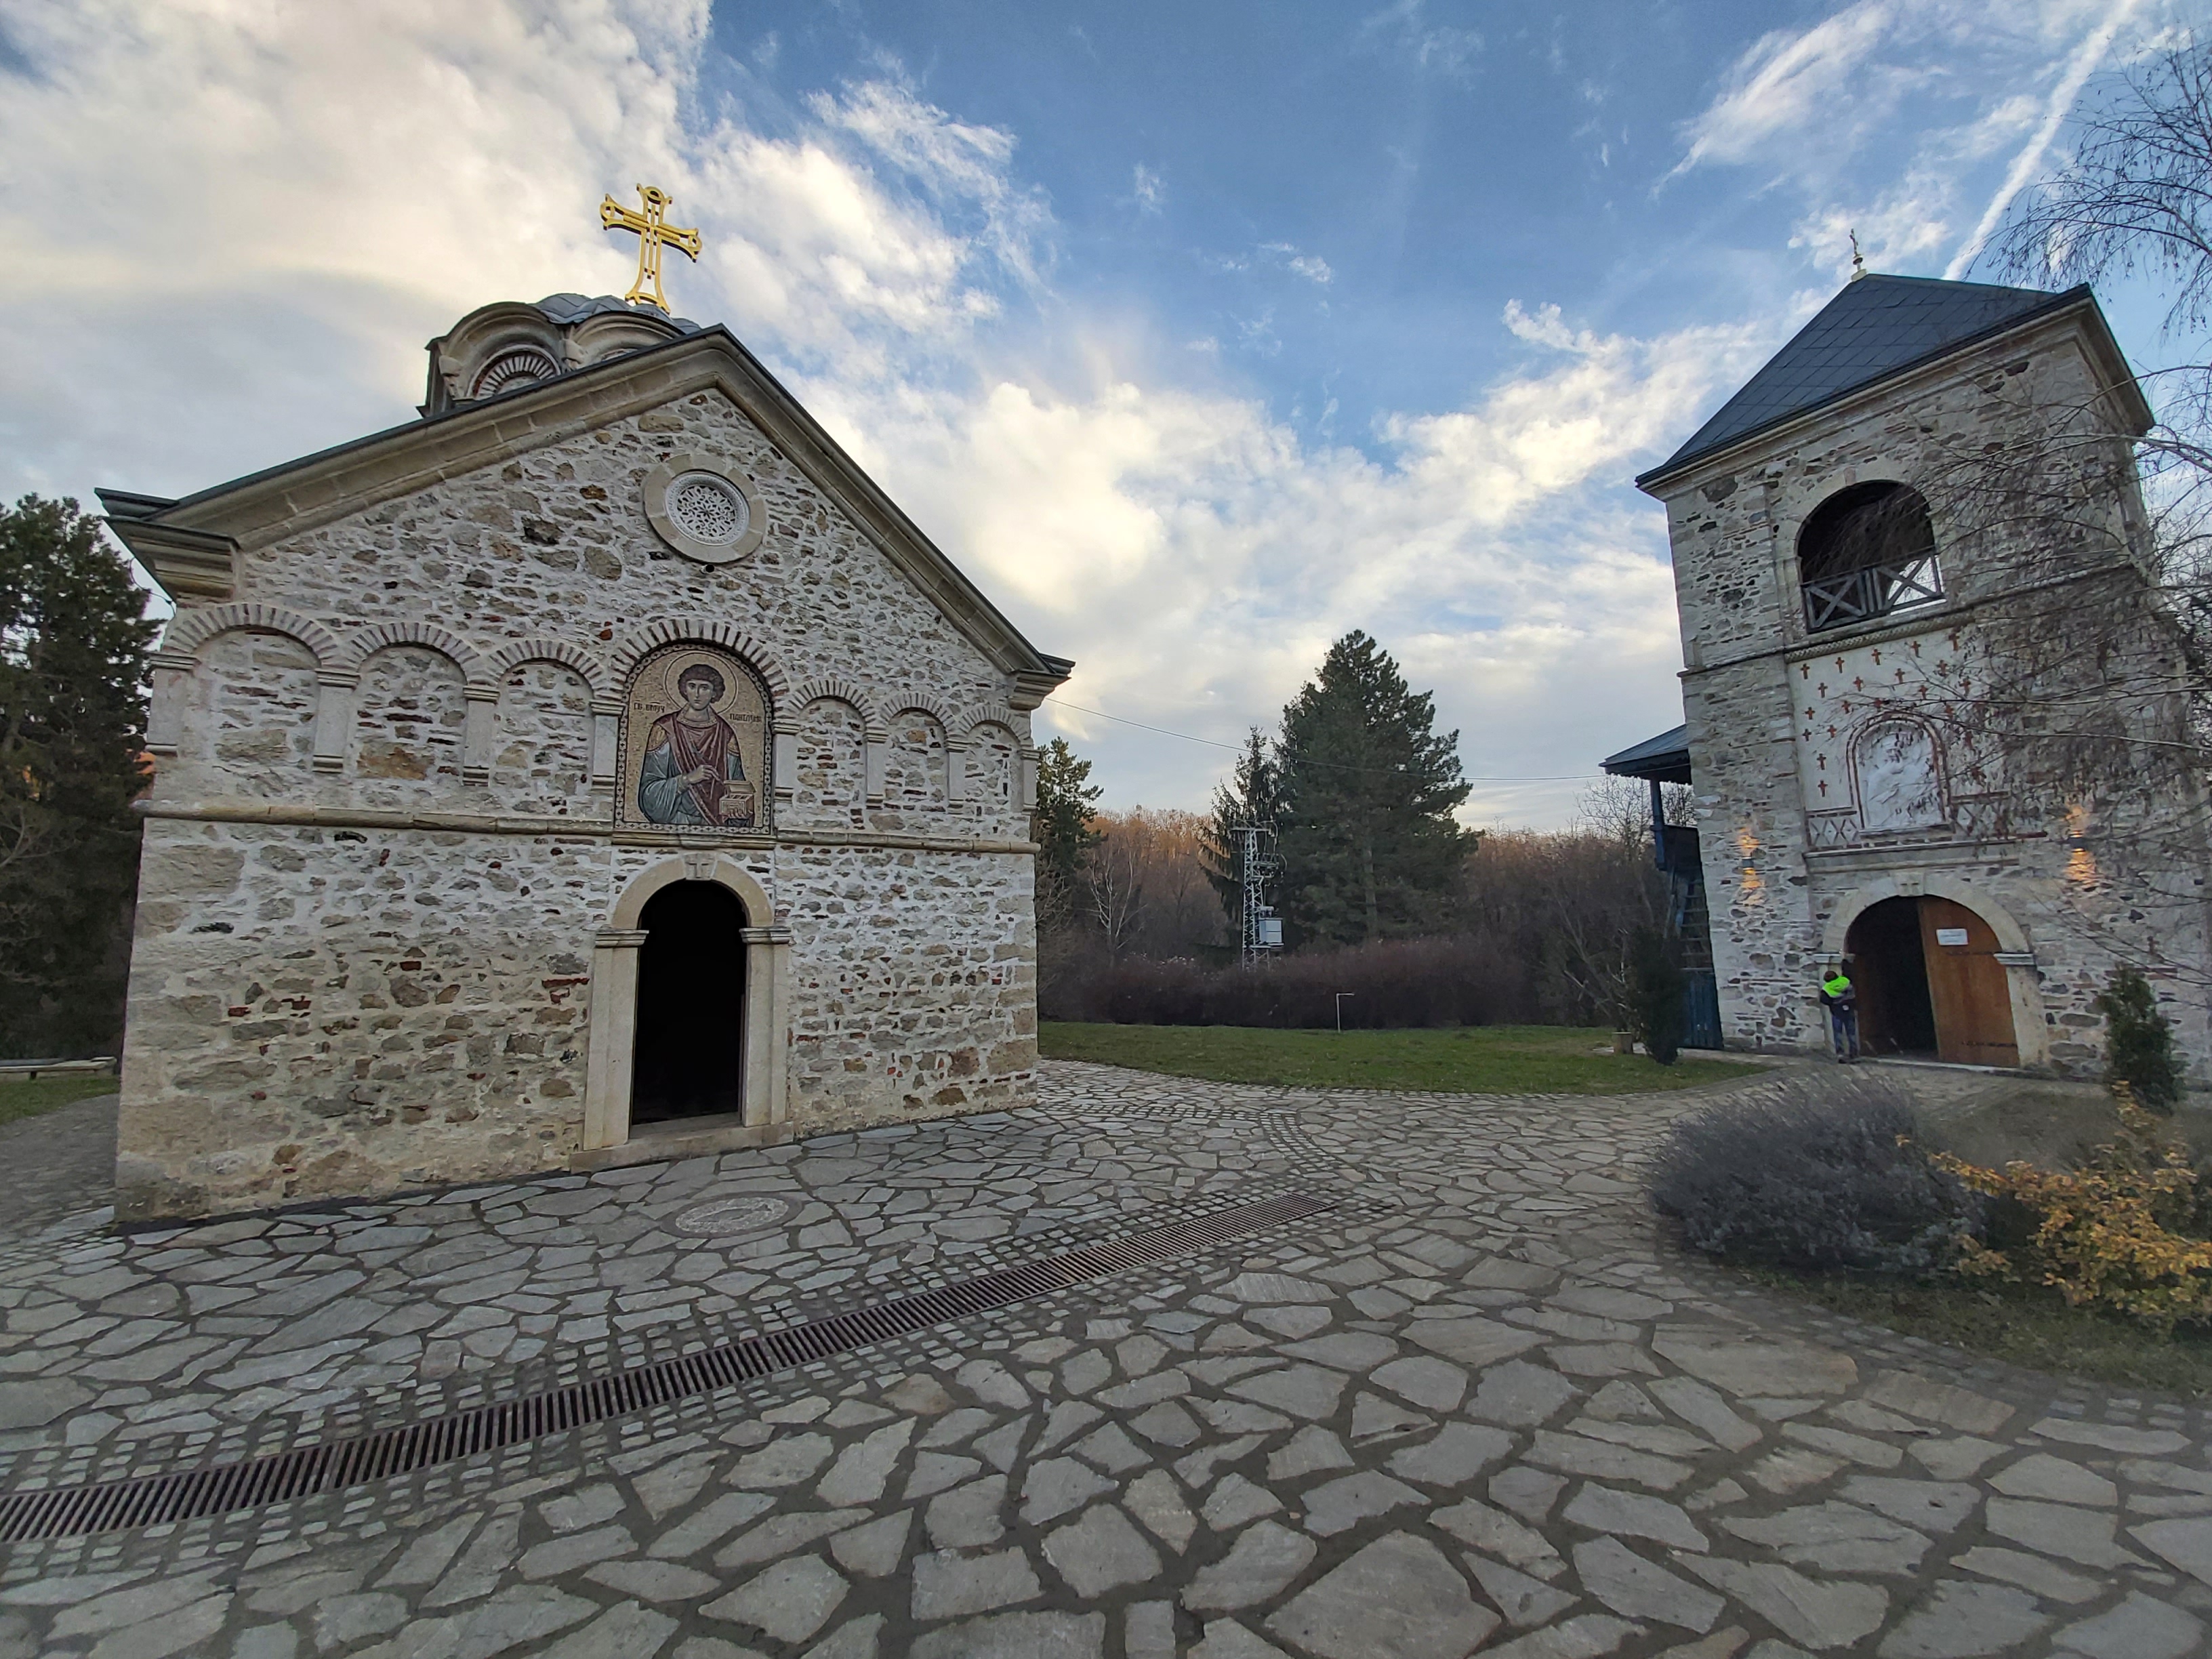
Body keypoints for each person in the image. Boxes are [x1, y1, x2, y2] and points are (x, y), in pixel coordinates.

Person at [638, 662, 749, 825]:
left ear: (714, 693)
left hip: (716, 824)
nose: (697, 694)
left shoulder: (725, 734)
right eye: (692, 686)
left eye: (704, 688)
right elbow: (649, 791)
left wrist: (739, 807)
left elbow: (737, 786)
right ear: (684, 690)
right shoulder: (665, 729)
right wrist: (687, 779)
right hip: (676, 819)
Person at [1819, 960, 1859, 1063]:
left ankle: (1840, 1054)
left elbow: (1824, 1000)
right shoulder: (1845, 981)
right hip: (1848, 1009)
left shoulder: (1827, 988)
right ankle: (1854, 1054)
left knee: (1838, 1033)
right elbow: (1853, 995)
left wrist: (1833, 1003)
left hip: (1836, 1011)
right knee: (1851, 1033)